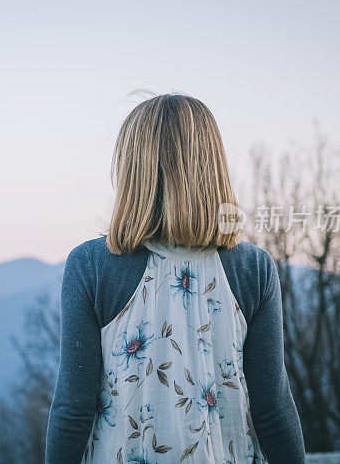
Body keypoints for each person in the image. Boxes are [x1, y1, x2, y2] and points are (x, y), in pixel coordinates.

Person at [44, 94, 306, 463]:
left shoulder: (92, 265)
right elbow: (273, 410)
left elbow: (73, 409)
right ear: (211, 168)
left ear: (133, 171)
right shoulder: (253, 269)